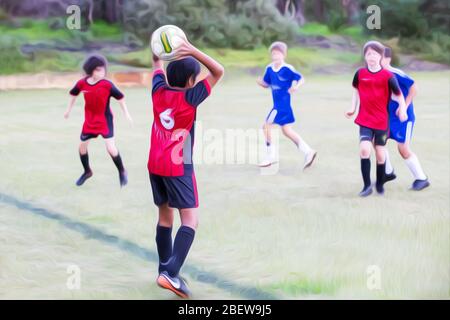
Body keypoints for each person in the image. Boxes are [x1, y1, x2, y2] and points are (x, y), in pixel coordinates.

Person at [149, 39, 224, 298]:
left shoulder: (158, 90)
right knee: (190, 220)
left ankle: (164, 269)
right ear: (191, 81)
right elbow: (218, 71)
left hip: (155, 163)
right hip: (178, 165)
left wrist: (157, 47)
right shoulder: (191, 97)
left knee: (165, 218)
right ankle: (170, 274)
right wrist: (191, 49)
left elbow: (156, 64)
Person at [346, 41, 407, 197]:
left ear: (381, 56)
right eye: (368, 54)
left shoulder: (388, 76)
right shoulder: (360, 74)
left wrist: (402, 109)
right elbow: (355, 90)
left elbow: (399, 94)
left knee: (380, 154)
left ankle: (380, 183)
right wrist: (352, 108)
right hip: (364, 119)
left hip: (381, 121)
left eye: (374, 54)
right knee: (364, 149)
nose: (371, 57)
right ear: (365, 57)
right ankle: (366, 186)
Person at [64, 55, 133, 187]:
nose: (102, 73)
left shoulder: (107, 85)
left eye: (103, 70)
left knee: (111, 149)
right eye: (98, 70)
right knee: (82, 147)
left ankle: (122, 171)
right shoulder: (82, 83)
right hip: (90, 120)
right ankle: (87, 171)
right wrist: (68, 110)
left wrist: (127, 114)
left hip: (105, 120)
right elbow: (73, 94)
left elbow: (120, 98)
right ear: (91, 70)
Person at [257, 41, 317, 169]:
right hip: (279, 105)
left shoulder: (287, 68)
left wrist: (296, 86)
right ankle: (308, 151)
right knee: (287, 131)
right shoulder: (269, 68)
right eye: (273, 53)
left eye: (278, 53)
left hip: (282, 106)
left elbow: (301, 78)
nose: (275, 56)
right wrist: (260, 83)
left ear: (284, 55)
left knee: (266, 126)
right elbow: (267, 84)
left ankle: (270, 156)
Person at [381, 47, 430, 191]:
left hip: (403, 118)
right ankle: (387, 172)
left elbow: (414, 88)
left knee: (403, 149)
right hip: (387, 117)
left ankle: (421, 178)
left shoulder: (396, 73)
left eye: (380, 57)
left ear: (388, 59)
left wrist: (404, 106)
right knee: (377, 141)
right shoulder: (376, 75)